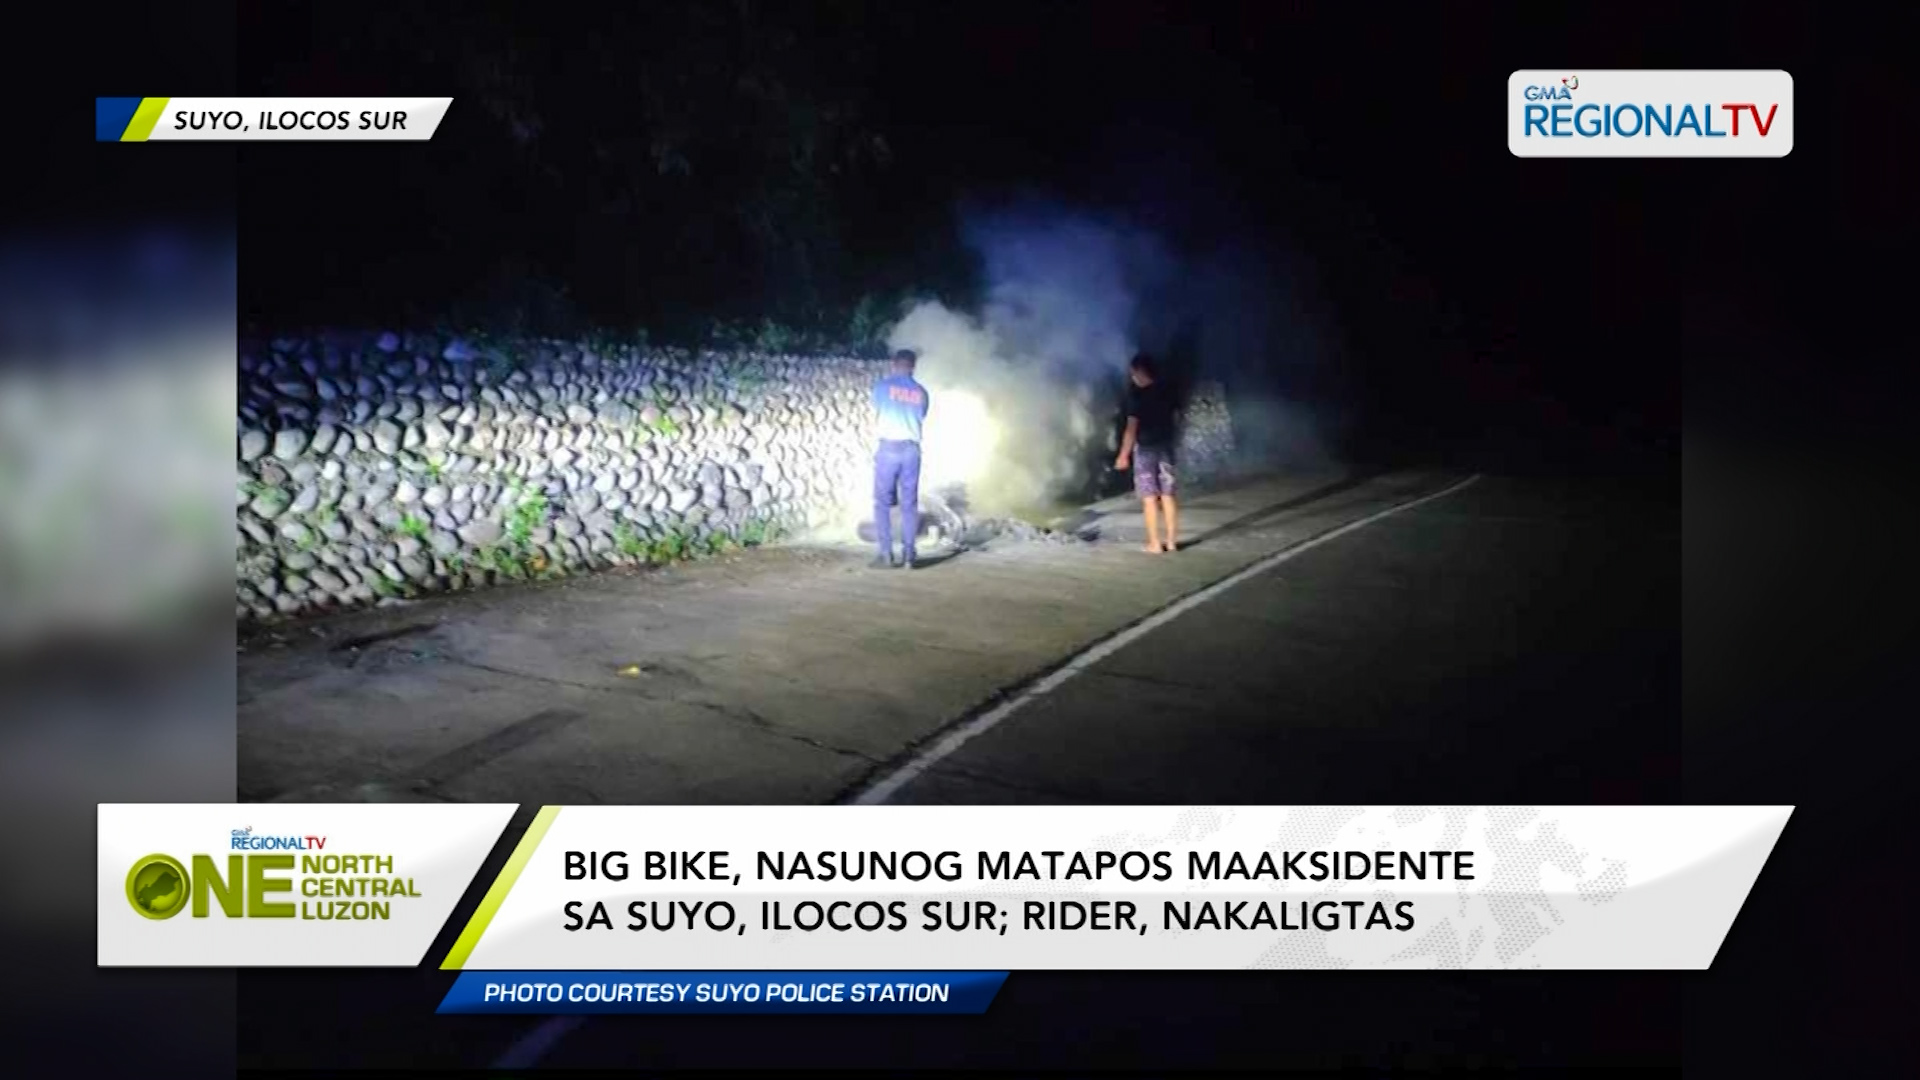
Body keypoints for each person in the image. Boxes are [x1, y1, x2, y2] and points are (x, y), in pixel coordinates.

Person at [1114, 352, 1180, 553]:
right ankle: (1171, 542)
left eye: (1133, 373)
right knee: (1168, 495)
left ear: (1140, 372)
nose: (1132, 377)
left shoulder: (1137, 397)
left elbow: (1131, 429)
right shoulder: (1167, 392)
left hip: (1146, 450)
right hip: (1166, 448)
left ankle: (1154, 543)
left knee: (1149, 497)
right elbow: (1176, 418)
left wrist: (1123, 455)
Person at [871, 348, 930, 569]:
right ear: (913, 366)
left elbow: (878, 408)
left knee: (882, 504)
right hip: (911, 451)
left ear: (893, 364)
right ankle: (909, 555)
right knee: (909, 505)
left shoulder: (882, 387)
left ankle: (886, 554)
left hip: (888, 448)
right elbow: (921, 415)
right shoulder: (921, 392)